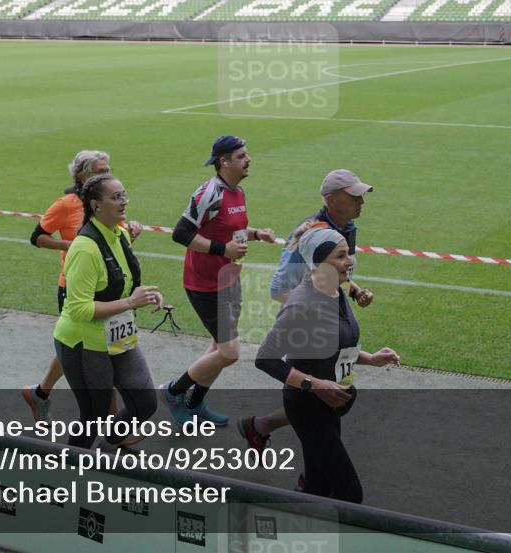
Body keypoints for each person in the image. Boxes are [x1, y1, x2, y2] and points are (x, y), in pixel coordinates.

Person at [255, 226, 399, 503]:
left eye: (348, 254)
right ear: (319, 262)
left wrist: (368, 358)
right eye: (341, 256)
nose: (350, 261)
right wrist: (315, 384)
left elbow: (330, 344)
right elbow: (266, 358)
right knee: (349, 492)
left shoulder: (335, 291)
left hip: (330, 406)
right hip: (308, 408)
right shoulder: (302, 303)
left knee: (317, 487)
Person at [240, 169, 375, 450]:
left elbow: (336, 272)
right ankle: (314, 474)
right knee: (318, 389)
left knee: (330, 390)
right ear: (331, 199)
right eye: (354, 197)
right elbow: (279, 288)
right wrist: (312, 310)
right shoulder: (309, 233)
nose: (361, 202)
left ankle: (261, 427)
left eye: (361, 196)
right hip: (308, 310)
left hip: (326, 303)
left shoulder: (347, 226)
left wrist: (354, 290)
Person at [160, 136, 275, 426]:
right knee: (229, 351)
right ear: (224, 162)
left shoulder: (238, 192)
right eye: (241, 156)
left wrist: (256, 233)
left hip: (229, 279)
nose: (248, 160)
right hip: (205, 284)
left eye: (247, 154)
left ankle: (195, 404)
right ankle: (174, 391)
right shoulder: (209, 193)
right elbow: (181, 233)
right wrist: (223, 250)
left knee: (217, 347)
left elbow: (230, 229)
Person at [22, 150, 143, 421]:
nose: (107, 175)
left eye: (108, 170)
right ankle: (109, 433)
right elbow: (37, 237)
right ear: (81, 176)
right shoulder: (66, 205)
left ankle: (41, 393)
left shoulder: (109, 200)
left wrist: (131, 229)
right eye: (100, 171)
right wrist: (74, 244)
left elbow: (115, 238)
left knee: (86, 352)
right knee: (90, 353)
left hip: (106, 284)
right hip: (74, 285)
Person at [52, 173, 161, 449]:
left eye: (124, 194)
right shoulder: (85, 249)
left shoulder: (120, 234)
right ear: (95, 205)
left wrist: (145, 294)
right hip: (83, 344)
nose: (124, 201)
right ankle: (67, 474)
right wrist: (131, 303)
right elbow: (78, 309)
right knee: (93, 416)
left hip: (118, 339)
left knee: (145, 402)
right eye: (116, 197)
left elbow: (121, 284)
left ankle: (110, 442)